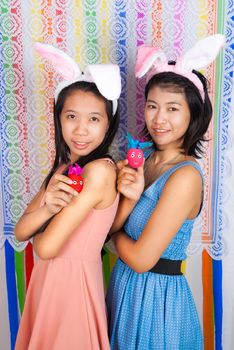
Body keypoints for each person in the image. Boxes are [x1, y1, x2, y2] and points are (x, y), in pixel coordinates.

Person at [106, 34, 225, 350]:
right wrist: (127, 201)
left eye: (173, 108)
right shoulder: (141, 160)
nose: (159, 119)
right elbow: (118, 226)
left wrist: (107, 234)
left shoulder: (185, 176)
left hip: (158, 303)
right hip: (123, 289)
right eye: (153, 106)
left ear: (193, 115)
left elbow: (143, 259)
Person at [14, 42, 121, 350]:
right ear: (59, 119)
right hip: (48, 286)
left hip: (72, 289)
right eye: (71, 116)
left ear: (108, 124)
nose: (81, 130)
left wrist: (44, 219)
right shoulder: (64, 167)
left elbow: (44, 247)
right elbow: (23, 231)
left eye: (94, 119)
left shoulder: (100, 172)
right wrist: (48, 206)